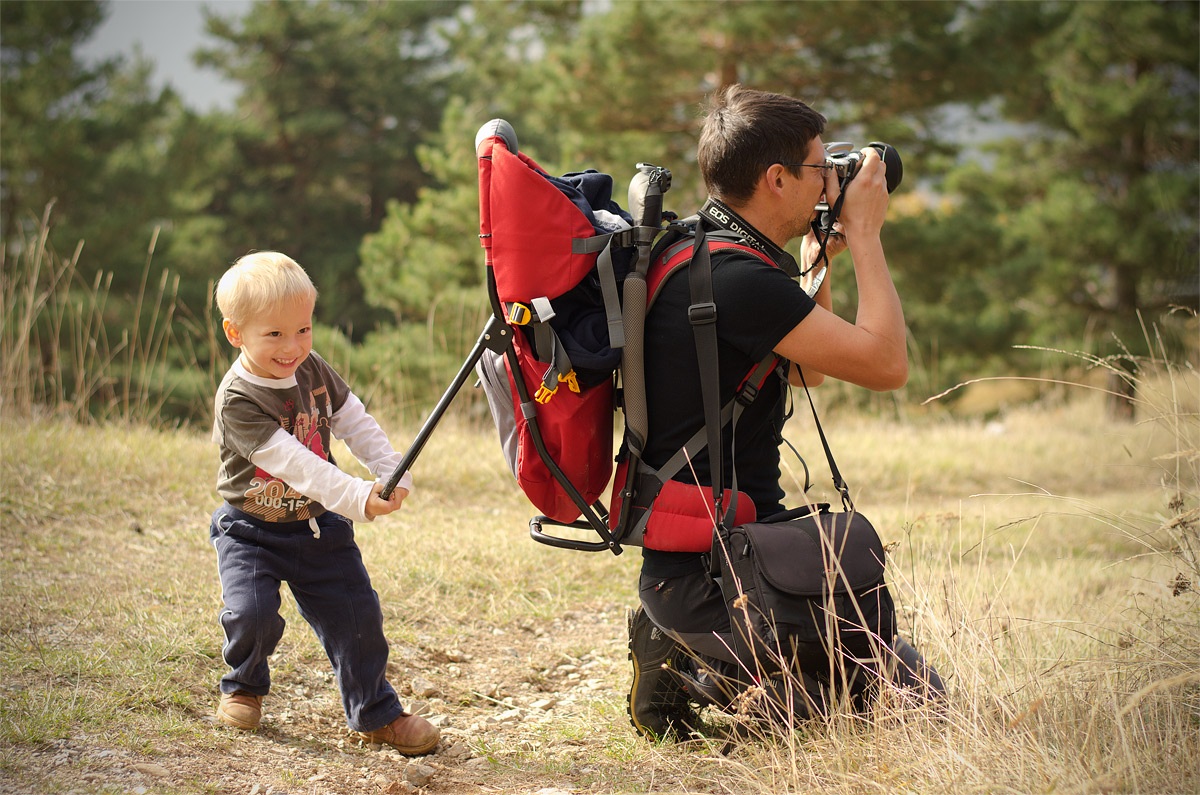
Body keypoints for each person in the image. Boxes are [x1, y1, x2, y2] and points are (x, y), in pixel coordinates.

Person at [627, 85, 943, 739]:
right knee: (888, 711)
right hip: (720, 579)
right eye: (820, 167)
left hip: (726, 558)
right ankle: (688, 659)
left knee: (903, 694)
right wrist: (863, 233)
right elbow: (887, 364)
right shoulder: (743, 282)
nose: (832, 179)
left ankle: (690, 641)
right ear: (776, 179)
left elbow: (809, 369)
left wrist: (818, 260)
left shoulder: (704, 252)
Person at [208, 251, 440, 756]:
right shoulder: (239, 401)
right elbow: (299, 467)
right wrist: (359, 496)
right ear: (235, 333)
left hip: (318, 527)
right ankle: (244, 685)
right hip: (252, 530)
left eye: (304, 330)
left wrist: (390, 469)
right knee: (253, 616)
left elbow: (353, 419)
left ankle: (376, 714)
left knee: (358, 619)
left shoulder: (311, 368)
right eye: (274, 334)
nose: (293, 347)